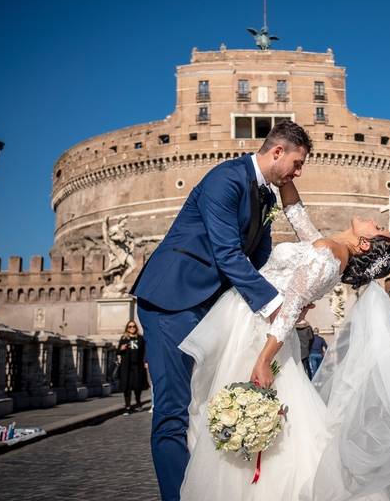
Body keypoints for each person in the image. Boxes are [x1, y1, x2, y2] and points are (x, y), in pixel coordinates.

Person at [178, 178, 390, 500]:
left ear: (365, 243)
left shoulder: (329, 254)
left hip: (257, 332)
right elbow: (297, 216)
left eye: (378, 227)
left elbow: (292, 305)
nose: (374, 221)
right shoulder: (329, 251)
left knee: (240, 408)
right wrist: (286, 180)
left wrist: (264, 359)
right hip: (258, 323)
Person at [130, 120, 311, 501]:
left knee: (203, 405)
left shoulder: (265, 198)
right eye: (297, 163)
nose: (298, 173)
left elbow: (258, 261)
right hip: (171, 301)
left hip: (208, 307)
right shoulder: (225, 179)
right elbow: (227, 253)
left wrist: (291, 298)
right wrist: (277, 306)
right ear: (277, 151)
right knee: (173, 412)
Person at [117, 320, 148, 414]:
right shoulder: (124, 338)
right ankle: (127, 406)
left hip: (138, 366)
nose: (132, 328)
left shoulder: (140, 338)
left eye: (133, 326)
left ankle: (138, 403)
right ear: (127, 328)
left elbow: (144, 351)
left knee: (137, 386)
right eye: (130, 327)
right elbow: (118, 352)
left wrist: (146, 361)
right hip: (126, 366)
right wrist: (121, 349)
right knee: (127, 386)